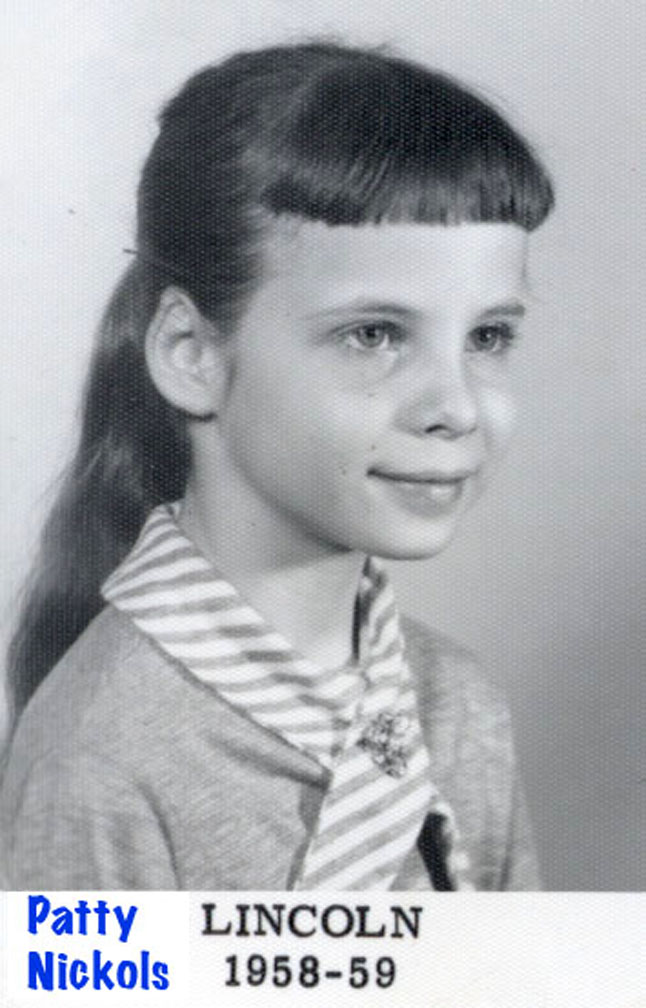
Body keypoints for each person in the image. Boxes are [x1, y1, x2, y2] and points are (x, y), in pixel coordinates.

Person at [0, 41, 553, 890]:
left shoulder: (457, 701)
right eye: (374, 334)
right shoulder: (99, 758)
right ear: (190, 353)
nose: (458, 407)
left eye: (488, 337)